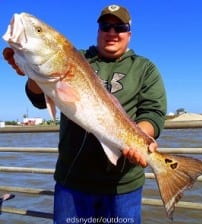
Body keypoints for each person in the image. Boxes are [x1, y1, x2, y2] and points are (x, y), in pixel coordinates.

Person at [3, 4, 167, 224]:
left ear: (129, 33)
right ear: (98, 30)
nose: (111, 32)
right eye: (105, 26)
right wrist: (31, 73)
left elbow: (153, 113)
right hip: (72, 182)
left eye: (119, 27)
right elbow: (39, 100)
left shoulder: (145, 69)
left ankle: (168, 172)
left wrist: (140, 141)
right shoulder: (76, 57)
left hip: (123, 185)